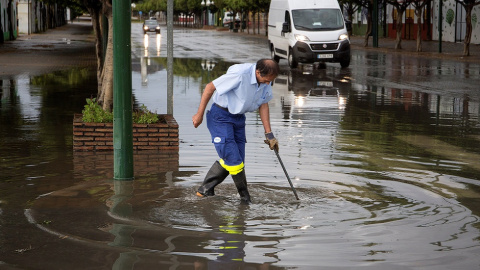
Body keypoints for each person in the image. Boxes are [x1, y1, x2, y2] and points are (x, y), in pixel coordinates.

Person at [192, 59, 280, 203]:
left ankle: (205, 190)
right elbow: (209, 87)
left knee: (236, 161)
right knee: (234, 161)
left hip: (238, 119)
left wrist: (269, 134)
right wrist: (199, 114)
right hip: (220, 117)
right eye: (266, 80)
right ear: (258, 72)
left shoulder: (266, 81)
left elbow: (264, 104)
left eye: (270, 81)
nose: (267, 84)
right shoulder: (240, 75)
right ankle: (245, 198)